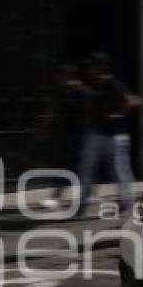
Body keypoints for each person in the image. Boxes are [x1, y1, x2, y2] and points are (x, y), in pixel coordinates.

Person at [78, 53, 140, 215]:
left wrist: (118, 114)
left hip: (115, 135)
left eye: (93, 66)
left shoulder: (113, 83)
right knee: (87, 168)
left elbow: (134, 101)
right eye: (90, 67)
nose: (90, 70)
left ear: (101, 68)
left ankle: (127, 204)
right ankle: (82, 202)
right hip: (96, 134)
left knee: (119, 171)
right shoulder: (93, 85)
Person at [40, 63, 91, 210]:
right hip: (67, 135)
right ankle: (61, 196)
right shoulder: (63, 91)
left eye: (61, 77)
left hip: (79, 136)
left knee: (72, 167)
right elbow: (55, 112)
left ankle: (57, 197)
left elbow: (88, 116)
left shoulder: (83, 93)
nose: (59, 80)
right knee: (70, 167)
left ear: (69, 76)